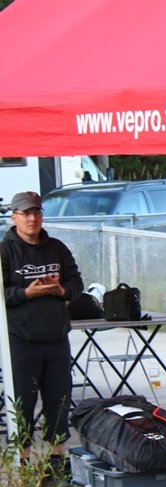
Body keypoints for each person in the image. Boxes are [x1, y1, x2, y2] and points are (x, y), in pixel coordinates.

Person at [2, 191, 84, 460]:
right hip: (21, 338)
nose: (32, 218)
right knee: (22, 402)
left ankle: (56, 461)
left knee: (59, 400)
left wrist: (61, 291)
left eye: (37, 212)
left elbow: (76, 284)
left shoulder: (57, 248)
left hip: (56, 336)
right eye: (26, 213)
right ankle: (23, 462)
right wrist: (26, 293)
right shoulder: (5, 251)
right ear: (14, 217)